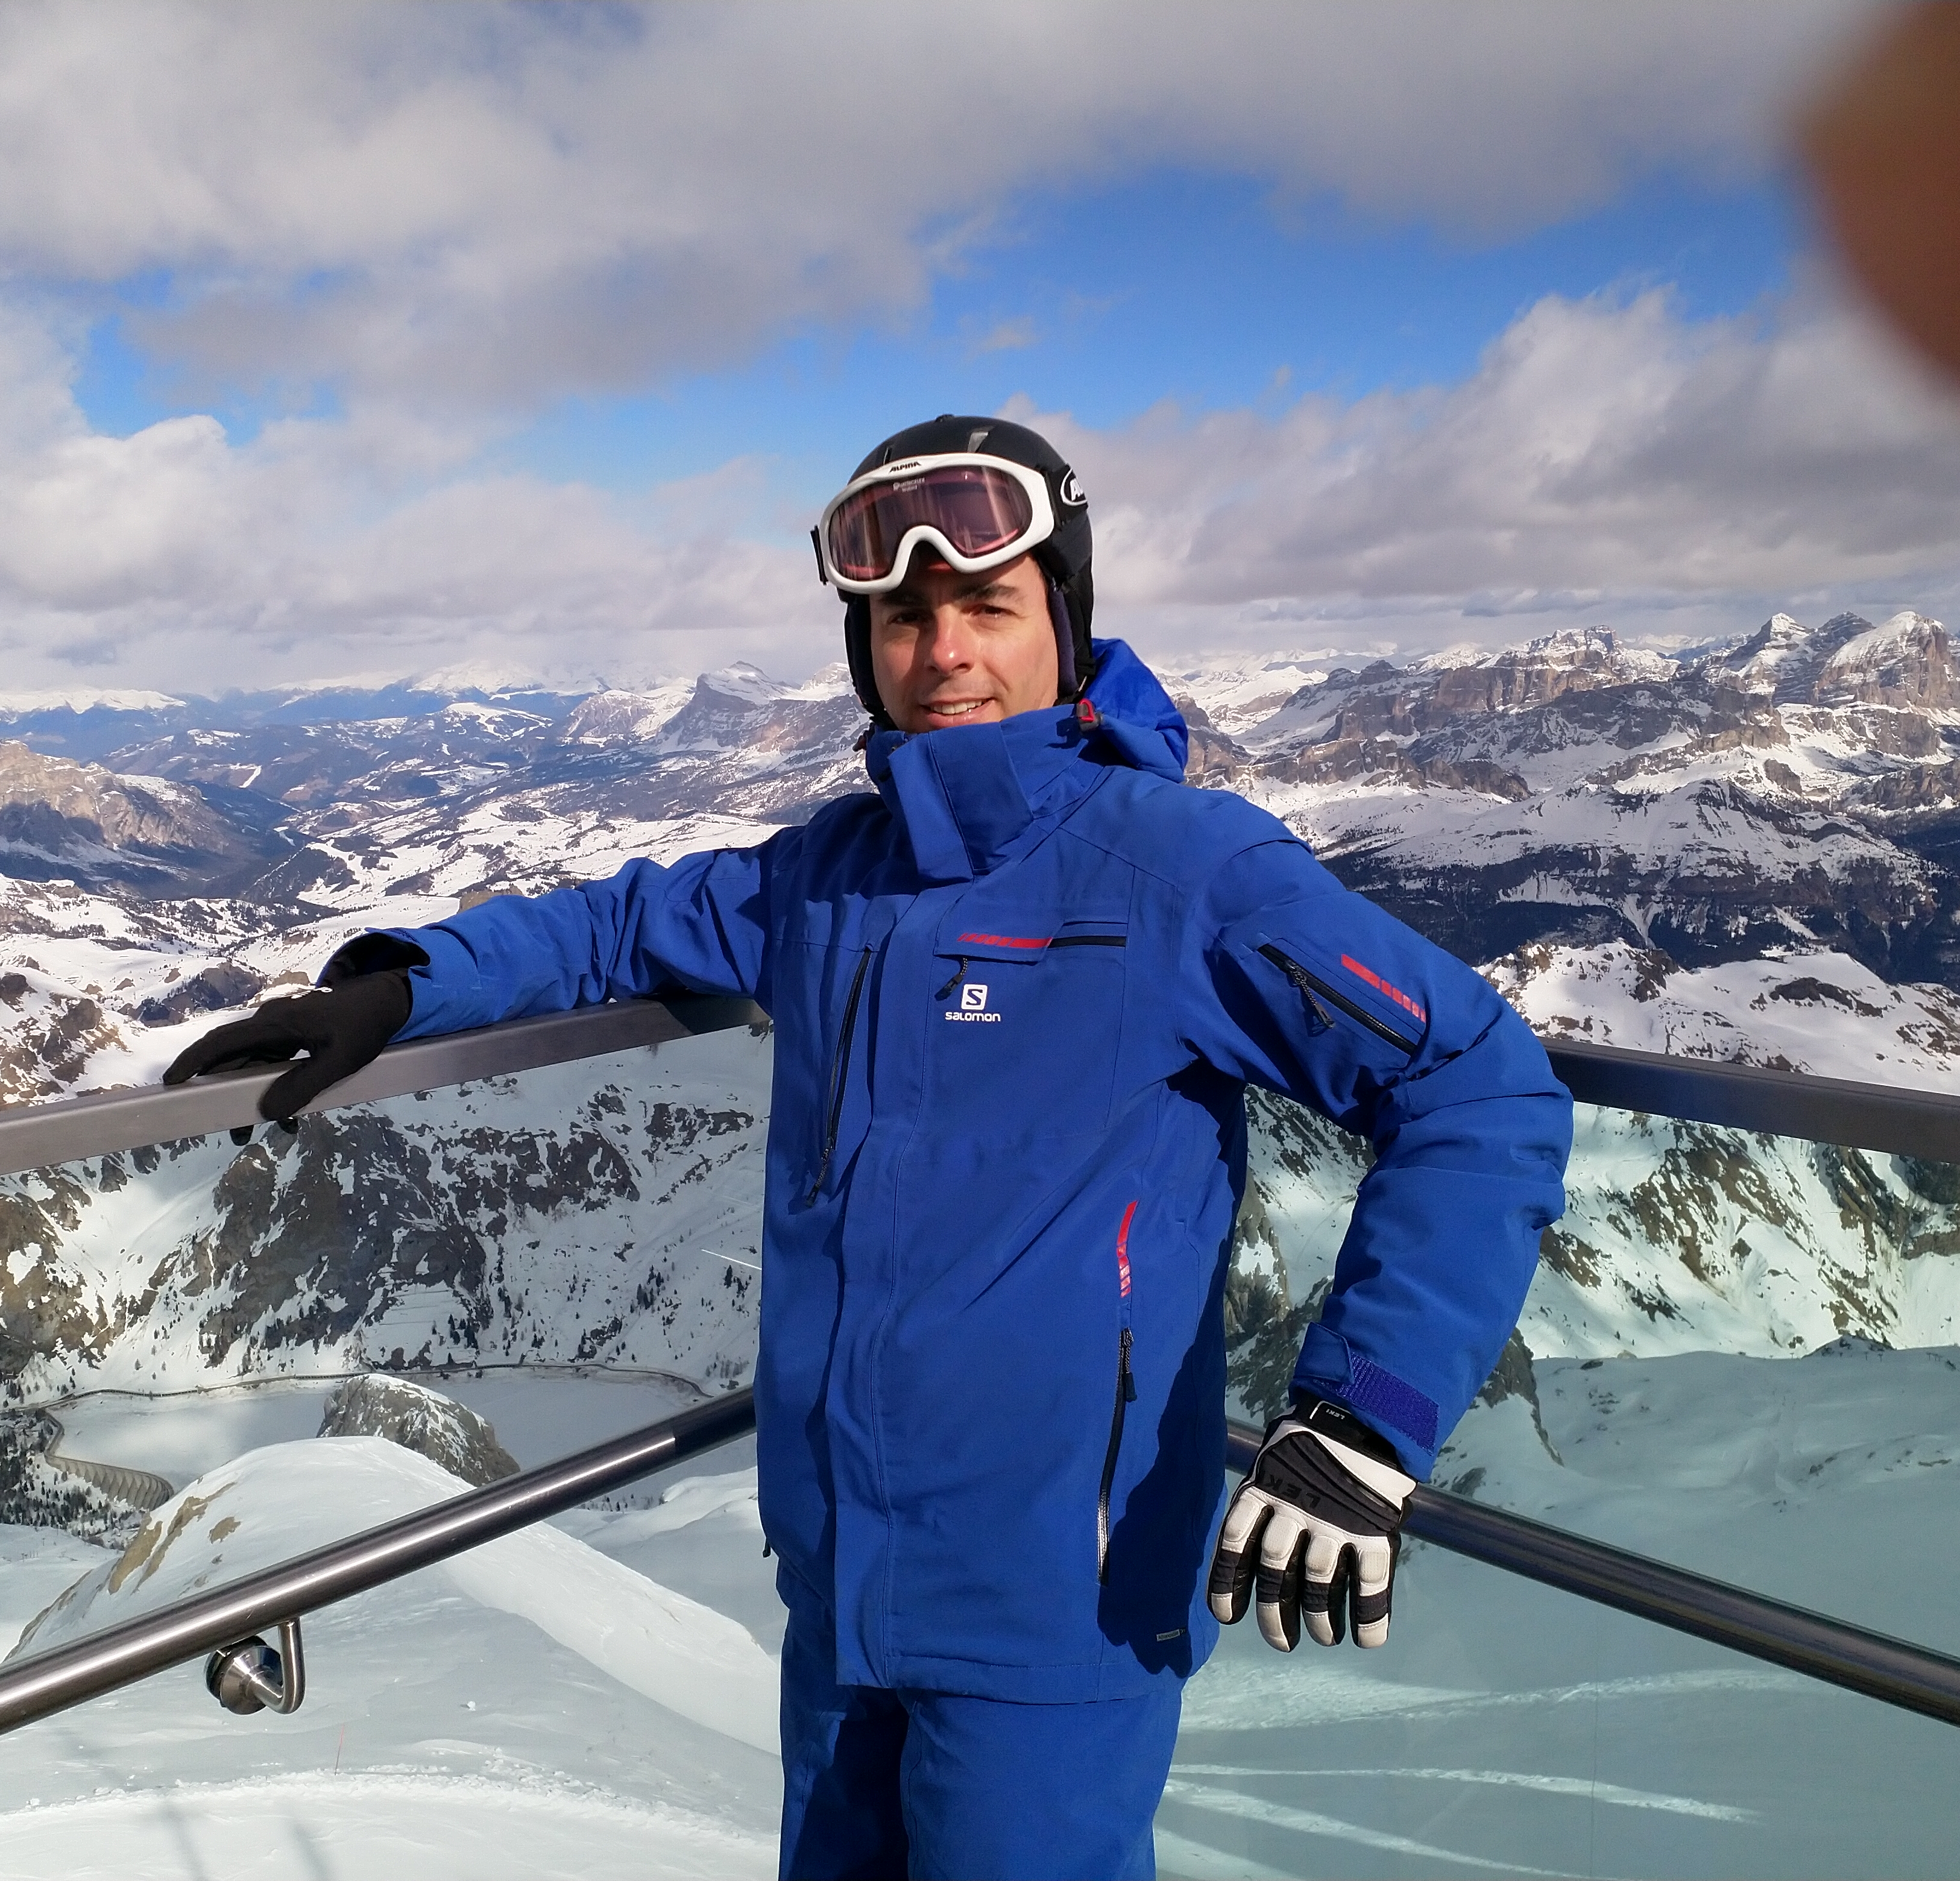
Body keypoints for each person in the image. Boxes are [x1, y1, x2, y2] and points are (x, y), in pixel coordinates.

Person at [165, 414, 1573, 1880]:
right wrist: (403, 987)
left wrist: (1361, 1422)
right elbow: (617, 923)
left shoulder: (1180, 871)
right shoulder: (833, 876)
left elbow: (1479, 1087)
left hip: (1055, 1605)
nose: (943, 651)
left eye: (986, 607)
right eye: (901, 616)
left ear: (1065, 626)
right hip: (839, 1583)